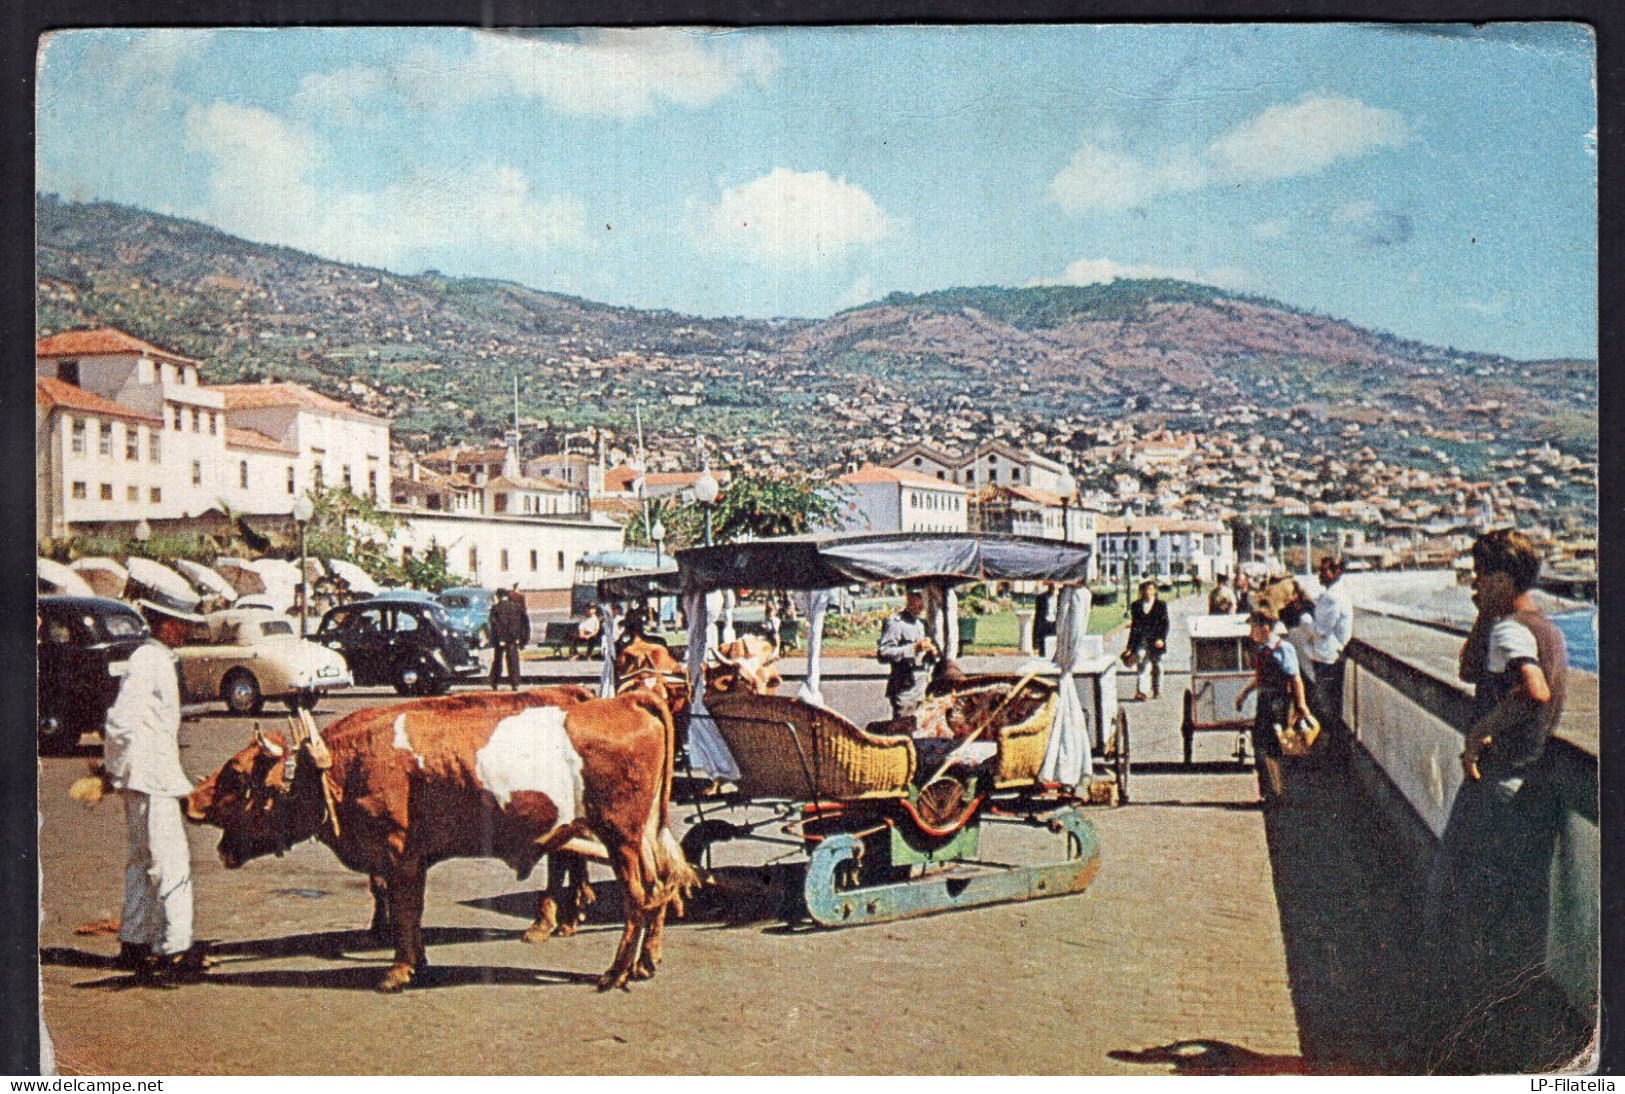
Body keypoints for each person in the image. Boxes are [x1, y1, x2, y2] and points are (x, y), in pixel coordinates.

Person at [1418, 529, 1567, 1067]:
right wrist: (1485, 613)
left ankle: (1465, 1043)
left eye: (1482, 575)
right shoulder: (1539, 626)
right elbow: (1465, 668)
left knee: (1458, 904)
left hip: (1497, 789)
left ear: (1504, 578)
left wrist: (1481, 731)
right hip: (1531, 788)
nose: (1474, 584)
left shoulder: (1510, 629)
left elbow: (1533, 689)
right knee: (1511, 922)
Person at [108, 601, 209, 986]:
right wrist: (120, 770)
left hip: (145, 776)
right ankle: (174, 948)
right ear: (162, 624)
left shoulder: (154, 658)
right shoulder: (149, 660)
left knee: (141, 861)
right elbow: (120, 719)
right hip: (151, 778)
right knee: (170, 864)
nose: (183, 630)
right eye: (177, 623)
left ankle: (134, 941)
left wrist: (120, 772)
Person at [1234, 607, 1311, 807]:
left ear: (1265, 627)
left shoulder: (1282, 648)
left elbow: (1295, 678)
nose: (1250, 631)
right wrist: (1244, 693)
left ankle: (1278, 794)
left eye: (1253, 626)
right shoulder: (1263, 649)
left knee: (1275, 746)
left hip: (1278, 703)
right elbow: (1260, 678)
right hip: (1265, 701)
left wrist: (1301, 705)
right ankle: (1270, 792)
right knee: (1261, 745)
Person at [1305, 556, 1353, 727]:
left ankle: (1333, 749)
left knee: (1327, 708)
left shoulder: (1332, 597)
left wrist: (1303, 618)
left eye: (1324, 571)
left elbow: (1322, 630)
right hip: (1331, 656)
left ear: (1336, 572)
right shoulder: (1335, 594)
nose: (1320, 575)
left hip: (1327, 658)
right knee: (1331, 707)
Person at [877, 587, 939, 719]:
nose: (922, 604)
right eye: (919, 599)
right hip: (904, 688)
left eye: (925, 599)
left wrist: (932, 654)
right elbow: (883, 652)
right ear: (909, 598)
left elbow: (925, 657)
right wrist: (912, 649)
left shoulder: (921, 624)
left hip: (922, 687)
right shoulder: (896, 623)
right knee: (903, 729)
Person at [1126, 580, 1170, 700]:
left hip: (1156, 641)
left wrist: (1161, 638)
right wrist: (1129, 648)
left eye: (1150, 589)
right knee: (1142, 664)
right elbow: (1134, 628)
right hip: (1142, 640)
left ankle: (1157, 689)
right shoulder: (1136, 605)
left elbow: (1165, 624)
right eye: (1145, 590)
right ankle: (1142, 692)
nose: (1147, 592)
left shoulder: (1161, 605)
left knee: (1157, 665)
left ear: (1155, 591)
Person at [487, 585, 530, 690]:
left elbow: (494, 625)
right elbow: (524, 624)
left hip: (500, 639)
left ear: (498, 596)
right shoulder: (516, 607)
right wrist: (522, 639)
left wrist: (497, 639)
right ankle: (515, 683)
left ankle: (494, 682)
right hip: (513, 638)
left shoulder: (495, 608)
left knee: (497, 661)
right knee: (513, 661)